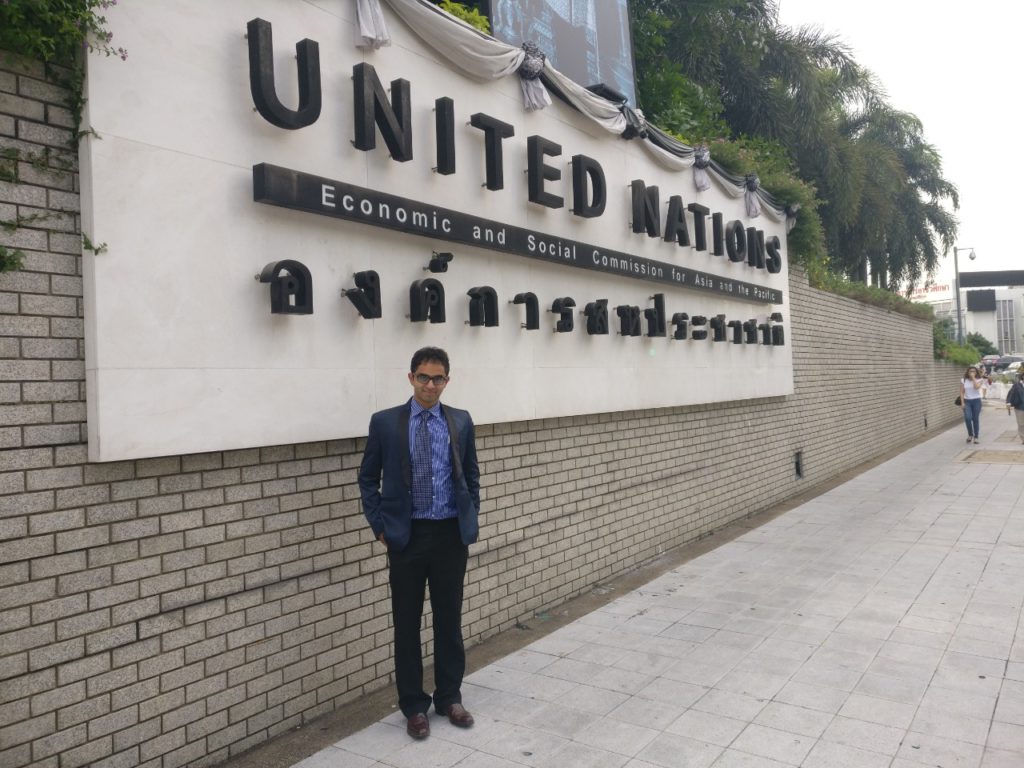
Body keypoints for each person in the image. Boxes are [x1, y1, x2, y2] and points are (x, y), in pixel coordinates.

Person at [358, 347, 481, 741]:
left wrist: (470, 516)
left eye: (438, 378)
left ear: (448, 380)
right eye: (424, 377)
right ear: (410, 378)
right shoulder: (385, 423)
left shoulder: (460, 421)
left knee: (450, 620)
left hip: (449, 536)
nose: (431, 385)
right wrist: (380, 526)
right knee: (407, 624)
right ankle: (413, 704)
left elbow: (472, 475)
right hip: (406, 538)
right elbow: (367, 478)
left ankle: (449, 697)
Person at [960, 365, 986, 444]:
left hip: (976, 401)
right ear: (967, 372)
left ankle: (976, 437)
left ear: (976, 372)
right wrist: (962, 403)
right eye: (970, 371)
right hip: (967, 401)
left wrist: (974, 378)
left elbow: (976, 387)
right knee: (968, 418)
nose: (972, 373)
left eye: (974, 371)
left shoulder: (980, 380)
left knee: (975, 419)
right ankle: (970, 434)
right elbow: (961, 392)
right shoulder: (963, 380)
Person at [1007, 369, 1024, 445]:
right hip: (1019, 407)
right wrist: (1008, 402)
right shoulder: (1017, 385)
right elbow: (1011, 393)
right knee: (1021, 424)